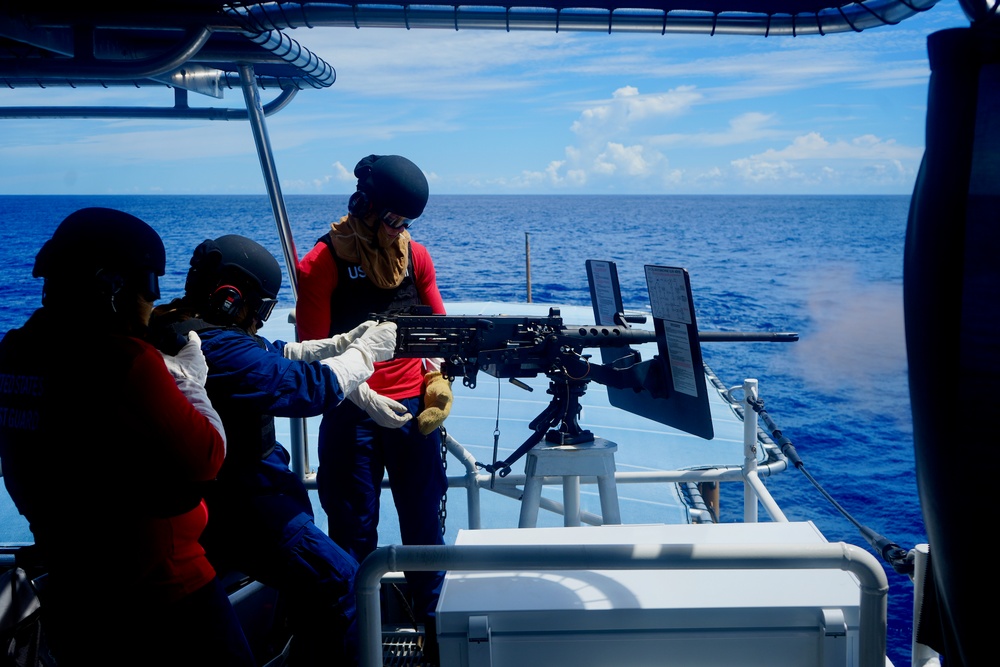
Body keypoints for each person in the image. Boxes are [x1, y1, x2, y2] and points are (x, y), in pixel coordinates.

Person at [0, 207, 254, 666]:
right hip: (166, 595)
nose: (155, 301)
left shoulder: (17, 353)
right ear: (111, 285)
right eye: (150, 284)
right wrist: (186, 379)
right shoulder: (127, 361)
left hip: (78, 592)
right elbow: (207, 457)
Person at [149, 233, 398, 666]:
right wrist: (363, 355)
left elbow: (273, 354)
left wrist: (339, 344)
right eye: (260, 310)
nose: (260, 322)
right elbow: (304, 389)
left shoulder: (176, 327)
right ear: (232, 298)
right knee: (343, 583)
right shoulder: (215, 345)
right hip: (247, 506)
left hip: (220, 502)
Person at [296, 154, 453, 644]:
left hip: (412, 412)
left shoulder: (416, 256)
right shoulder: (322, 264)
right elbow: (310, 353)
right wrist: (361, 396)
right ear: (363, 206)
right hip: (351, 415)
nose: (399, 230)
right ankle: (355, 643)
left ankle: (433, 632)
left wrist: (437, 378)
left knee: (424, 525)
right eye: (392, 219)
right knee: (352, 531)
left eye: (406, 222)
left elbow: (440, 330)